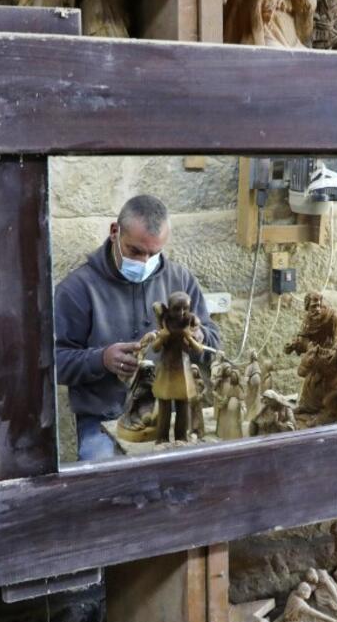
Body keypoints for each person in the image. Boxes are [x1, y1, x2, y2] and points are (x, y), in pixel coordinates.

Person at [55, 195, 221, 460]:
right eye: (134, 251)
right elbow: (55, 363)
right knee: (111, 486)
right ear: (114, 232)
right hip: (103, 418)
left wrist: (198, 336)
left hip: (171, 408)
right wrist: (102, 359)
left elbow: (213, 341)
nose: (144, 262)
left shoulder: (179, 280)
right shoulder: (77, 290)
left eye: (153, 254)